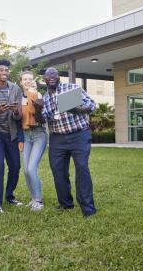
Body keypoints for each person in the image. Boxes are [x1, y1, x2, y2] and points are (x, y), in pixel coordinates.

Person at [34, 67, 97, 217]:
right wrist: (37, 109)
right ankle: (65, 204)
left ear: (58, 77)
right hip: (57, 139)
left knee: (82, 169)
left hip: (79, 135)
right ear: (44, 79)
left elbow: (92, 104)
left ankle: (88, 208)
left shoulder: (72, 88)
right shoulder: (45, 98)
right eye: (48, 75)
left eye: (54, 74)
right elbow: (41, 120)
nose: (51, 77)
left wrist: (80, 110)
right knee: (58, 172)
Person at [0, 59, 23, 213]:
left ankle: (9, 195)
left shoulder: (16, 89)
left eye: (6, 70)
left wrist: (15, 111)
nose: (4, 73)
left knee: (15, 166)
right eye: (1, 70)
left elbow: (19, 115)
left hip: (12, 134)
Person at [19, 71, 47, 211]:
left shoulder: (38, 95)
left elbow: (37, 115)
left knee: (31, 169)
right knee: (25, 170)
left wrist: (32, 93)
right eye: (25, 79)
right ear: (21, 82)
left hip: (38, 134)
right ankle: (33, 198)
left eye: (30, 79)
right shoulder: (18, 98)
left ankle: (39, 201)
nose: (27, 81)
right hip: (25, 135)